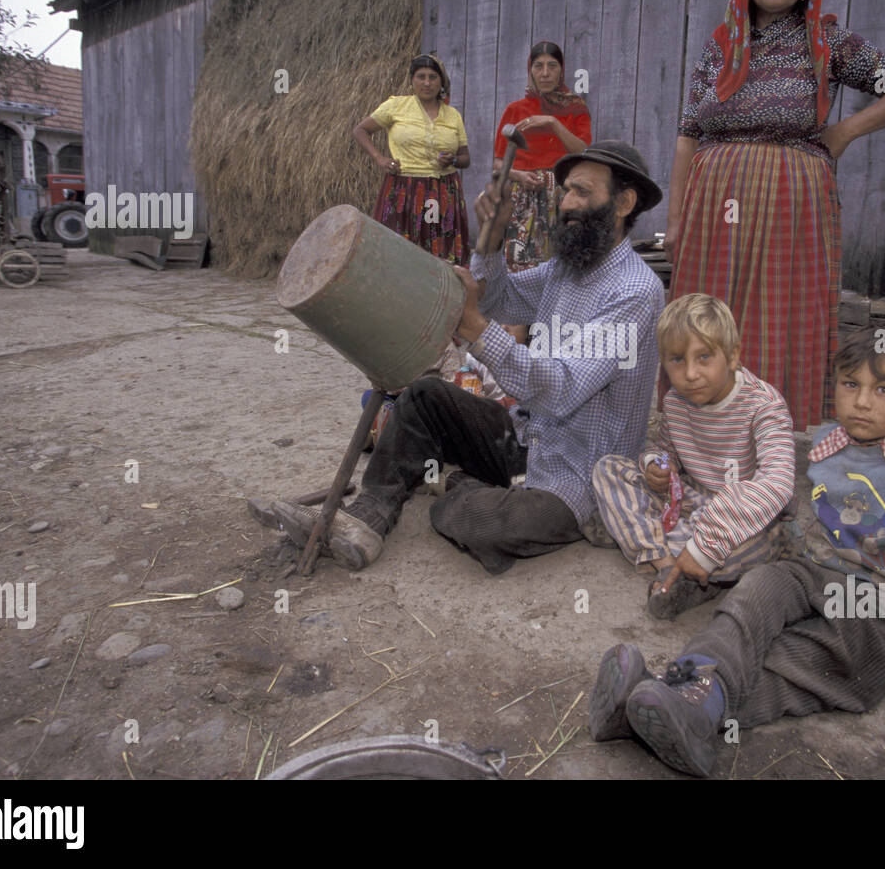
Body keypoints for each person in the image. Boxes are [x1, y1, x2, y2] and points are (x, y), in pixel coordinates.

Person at [588, 324, 885, 776]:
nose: (861, 402)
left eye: (884, 390)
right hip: (817, 576)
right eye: (849, 384)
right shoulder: (825, 445)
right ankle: (689, 684)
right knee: (757, 594)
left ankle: (661, 708)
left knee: (803, 663)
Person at [270, 141, 666, 574]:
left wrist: (477, 329)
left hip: (583, 476)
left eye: (583, 193)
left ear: (624, 203)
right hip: (527, 439)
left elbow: (559, 388)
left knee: (481, 524)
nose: (567, 203)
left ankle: (453, 481)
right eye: (567, 190)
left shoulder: (635, 291)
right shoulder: (566, 267)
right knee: (424, 396)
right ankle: (368, 517)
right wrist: (491, 240)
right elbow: (499, 300)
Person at [664, 0, 885, 431]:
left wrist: (845, 131)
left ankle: (765, 431)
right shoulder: (722, 46)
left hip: (790, 199)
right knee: (708, 312)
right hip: (714, 202)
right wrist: (675, 220)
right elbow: (687, 134)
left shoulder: (827, 43)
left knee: (775, 316)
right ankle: (703, 427)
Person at [591, 293, 794, 620]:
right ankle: (668, 566)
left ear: (732, 357)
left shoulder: (764, 406)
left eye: (704, 357)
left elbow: (778, 483)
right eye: (677, 360)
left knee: (768, 540)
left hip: (743, 518)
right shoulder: (674, 403)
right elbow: (664, 454)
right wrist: (657, 465)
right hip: (692, 504)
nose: (690, 373)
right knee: (608, 469)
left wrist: (705, 546)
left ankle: (666, 553)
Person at [352, 54, 471, 264]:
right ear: (412, 80)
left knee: (440, 254)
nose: (427, 83)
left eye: (433, 77)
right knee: (399, 253)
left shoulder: (452, 115)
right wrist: (380, 158)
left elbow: (465, 159)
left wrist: (452, 160)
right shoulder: (396, 106)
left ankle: (441, 295)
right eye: (421, 77)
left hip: (443, 191)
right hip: (404, 190)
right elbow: (360, 130)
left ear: (441, 82)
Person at [492, 41, 592, 272]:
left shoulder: (576, 108)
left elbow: (582, 152)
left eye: (552, 66)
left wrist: (552, 122)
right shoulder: (515, 110)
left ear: (561, 70)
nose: (545, 73)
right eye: (538, 66)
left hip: (565, 193)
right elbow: (498, 164)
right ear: (531, 71)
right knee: (520, 263)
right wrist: (519, 175)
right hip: (524, 194)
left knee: (565, 262)